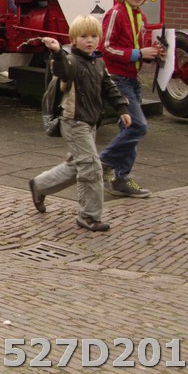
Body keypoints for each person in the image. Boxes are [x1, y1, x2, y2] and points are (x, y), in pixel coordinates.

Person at [28, 15, 131, 232]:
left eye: (93, 36)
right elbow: (62, 70)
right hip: (74, 122)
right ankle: (89, 216)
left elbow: (109, 87)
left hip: (90, 122)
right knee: (92, 167)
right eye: (83, 36)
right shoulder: (71, 61)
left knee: (77, 165)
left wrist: (122, 108)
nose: (89, 40)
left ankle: (40, 185)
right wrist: (57, 52)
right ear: (74, 39)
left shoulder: (98, 62)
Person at [99, 0, 165, 199]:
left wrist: (153, 53)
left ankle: (120, 179)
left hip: (133, 79)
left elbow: (140, 47)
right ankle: (102, 164)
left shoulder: (141, 17)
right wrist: (138, 53)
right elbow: (106, 47)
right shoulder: (115, 13)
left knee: (129, 130)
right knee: (138, 127)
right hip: (117, 79)